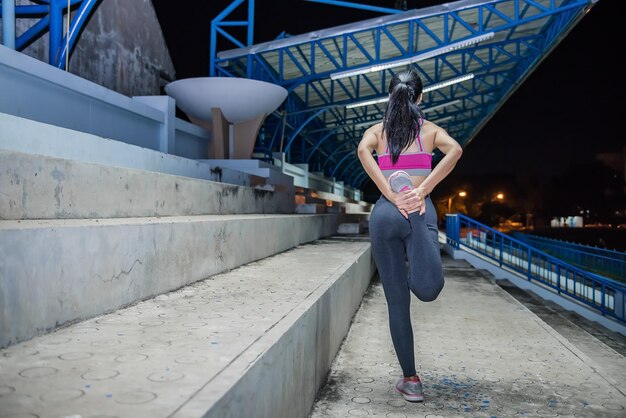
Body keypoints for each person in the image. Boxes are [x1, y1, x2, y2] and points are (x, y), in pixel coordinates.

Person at [357, 69, 463, 402]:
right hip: (419, 206)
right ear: (420, 97)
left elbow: (362, 151)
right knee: (428, 289)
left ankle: (411, 380)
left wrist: (390, 193)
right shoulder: (429, 131)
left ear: (391, 96)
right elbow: (456, 150)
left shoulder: (377, 131)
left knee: (396, 302)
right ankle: (415, 209)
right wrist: (424, 188)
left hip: (386, 214)